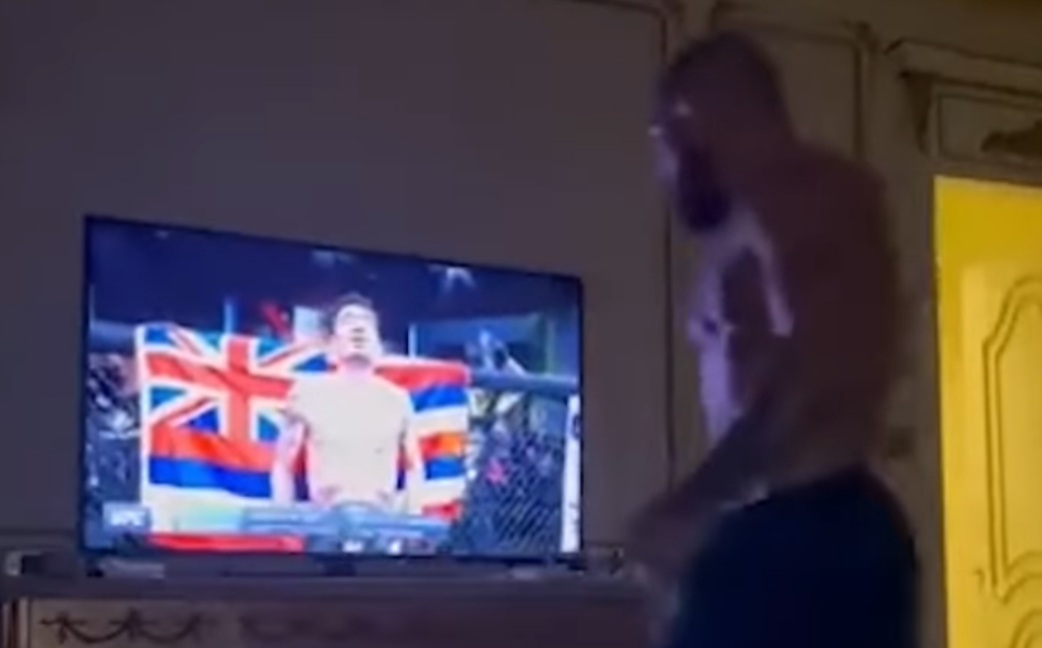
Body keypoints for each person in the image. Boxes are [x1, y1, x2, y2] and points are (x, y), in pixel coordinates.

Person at [632, 32, 919, 648]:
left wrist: (692, 504)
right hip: (799, 526)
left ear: (694, 121)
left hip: (807, 532)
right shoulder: (766, 220)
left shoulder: (804, 202)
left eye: (663, 137)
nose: (662, 167)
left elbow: (816, 370)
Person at [271, 293, 419, 511]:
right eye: (348, 321)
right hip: (326, 517)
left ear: (379, 348)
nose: (358, 328)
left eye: (366, 322)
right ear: (331, 347)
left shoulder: (397, 400)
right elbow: (283, 466)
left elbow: (414, 468)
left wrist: (410, 521)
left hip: (381, 519)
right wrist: (284, 522)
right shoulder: (307, 393)